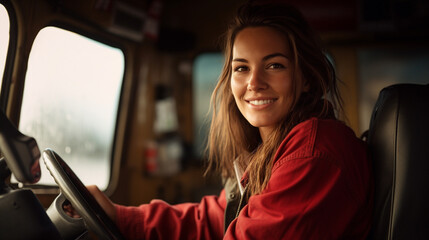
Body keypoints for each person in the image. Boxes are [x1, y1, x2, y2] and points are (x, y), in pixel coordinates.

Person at [86, 2, 373, 239]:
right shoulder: (272, 149)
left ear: (307, 77)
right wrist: (121, 217)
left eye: (274, 66)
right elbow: (214, 219)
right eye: (241, 68)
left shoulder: (314, 153)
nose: (254, 82)